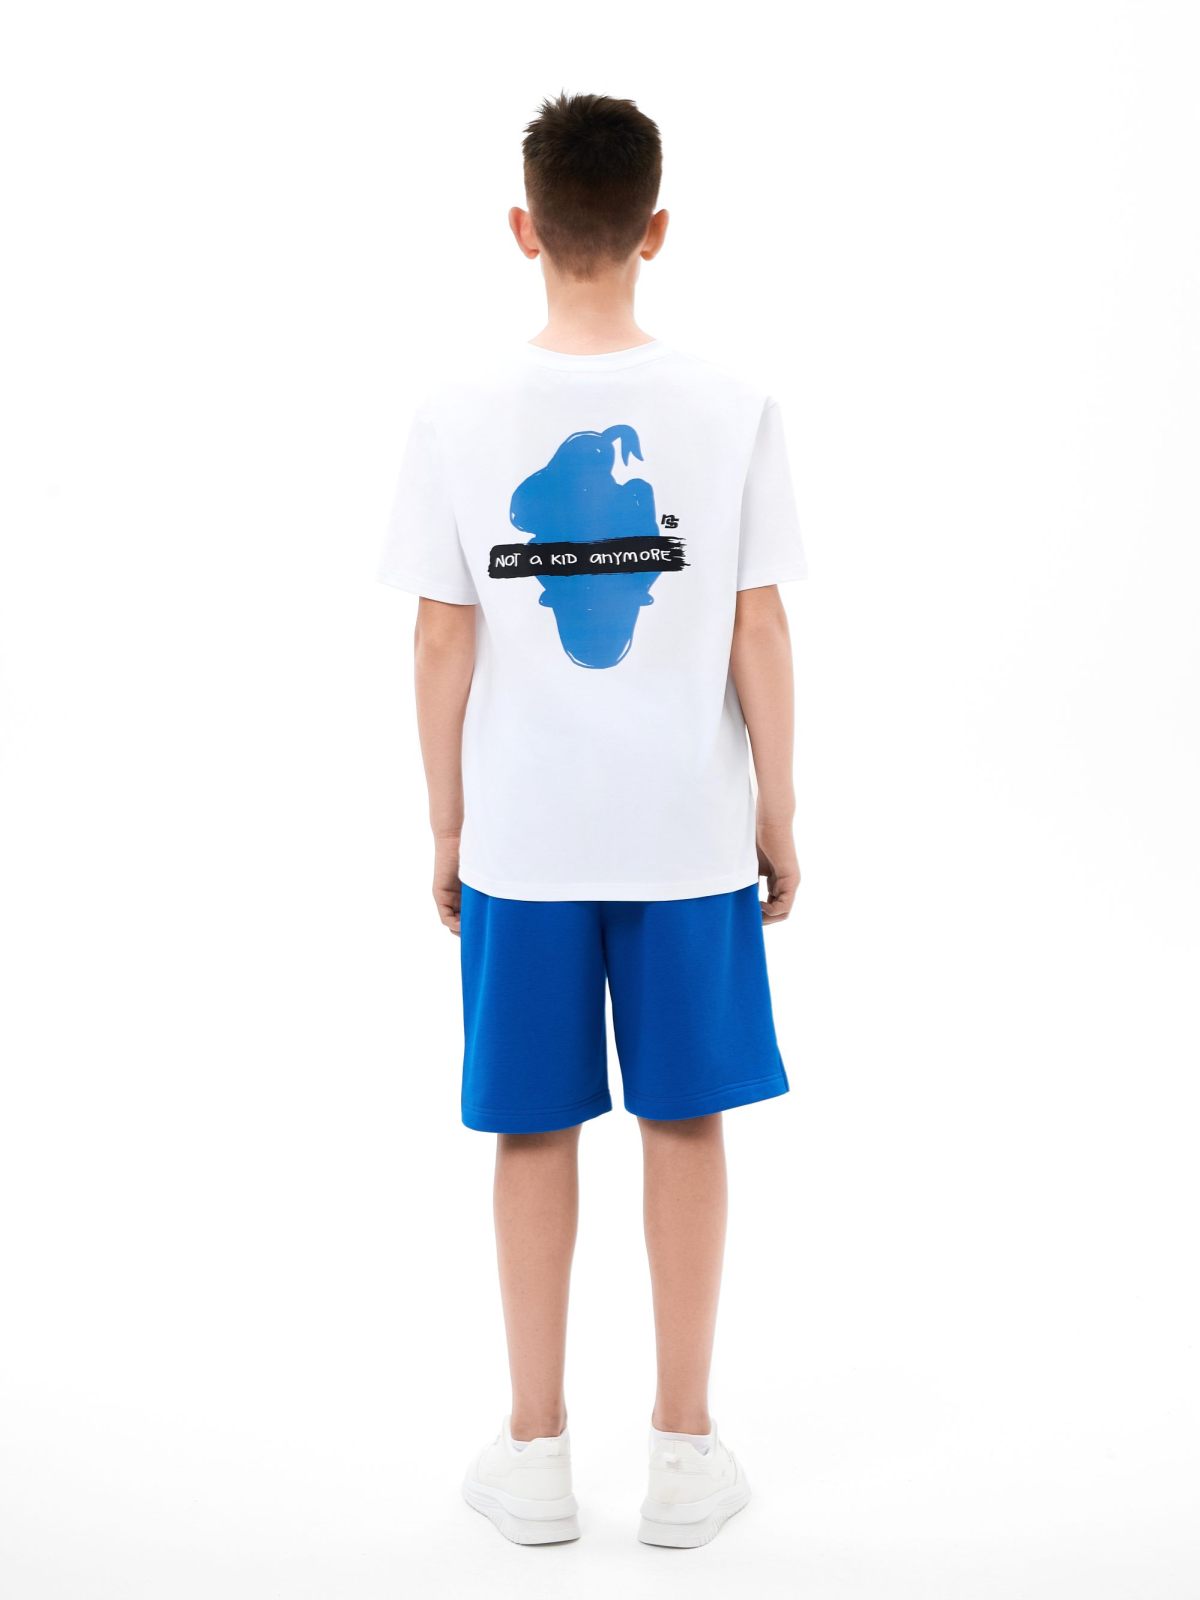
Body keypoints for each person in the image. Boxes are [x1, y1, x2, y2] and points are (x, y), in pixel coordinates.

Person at [379, 92, 806, 1549]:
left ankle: (534, 1454)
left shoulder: (455, 413)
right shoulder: (731, 407)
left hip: (525, 836)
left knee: (533, 1127)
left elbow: (442, 638)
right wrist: (781, 807)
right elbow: (758, 626)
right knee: (685, 1115)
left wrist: (445, 826)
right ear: (656, 229)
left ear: (525, 228)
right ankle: (684, 1457)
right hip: (686, 833)